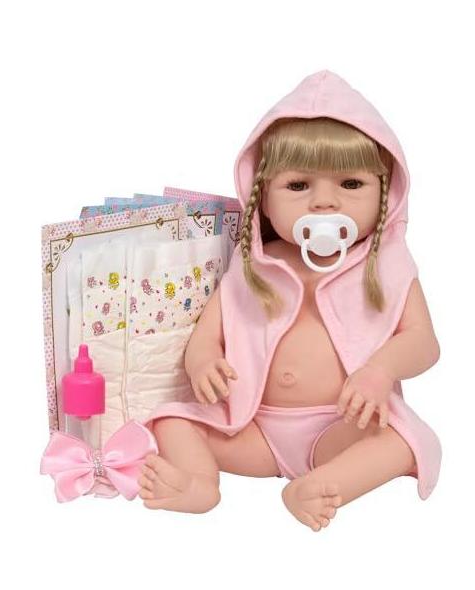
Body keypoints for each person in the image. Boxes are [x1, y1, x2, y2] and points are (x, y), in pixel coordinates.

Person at [137, 70, 442, 532]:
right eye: (299, 186)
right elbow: (208, 335)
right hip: (253, 429)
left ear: (386, 193)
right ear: (262, 198)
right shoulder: (255, 264)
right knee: (169, 420)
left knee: (401, 440)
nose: (324, 203)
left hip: (342, 428)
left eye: (350, 184)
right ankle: (200, 483)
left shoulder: (386, 266)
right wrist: (202, 364)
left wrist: (381, 372)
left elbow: (423, 342)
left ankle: (321, 484)